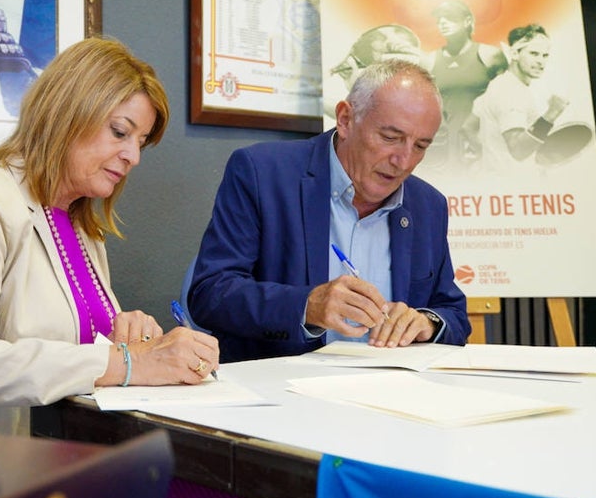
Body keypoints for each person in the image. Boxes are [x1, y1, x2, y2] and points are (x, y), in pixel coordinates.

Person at [0, 36, 297, 498]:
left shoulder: (81, 226)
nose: (133, 156)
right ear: (68, 110)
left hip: (84, 462)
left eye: (140, 142)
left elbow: (73, 346)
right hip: (3, 481)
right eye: (120, 132)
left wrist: (127, 337)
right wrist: (129, 365)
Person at [189, 58, 471, 362]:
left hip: (391, 396)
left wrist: (426, 323)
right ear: (346, 119)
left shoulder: (428, 205)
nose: (403, 160)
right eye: (391, 138)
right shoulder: (262, 173)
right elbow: (210, 294)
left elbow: (454, 314)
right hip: (283, 396)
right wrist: (307, 305)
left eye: (420, 146)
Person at [463, 23, 570, 172]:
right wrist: (551, 114)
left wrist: (490, 157)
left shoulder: (499, 84)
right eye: (533, 53)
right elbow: (518, 151)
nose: (540, 61)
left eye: (545, 55)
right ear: (514, 54)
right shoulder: (510, 91)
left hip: (501, 181)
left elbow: (468, 127)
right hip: (512, 182)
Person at [423, 0, 508, 166]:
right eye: (439, 19)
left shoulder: (490, 55)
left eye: (449, 17)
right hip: (447, 147)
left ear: (467, 21)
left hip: (484, 142)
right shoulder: (429, 61)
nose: (443, 23)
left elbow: (506, 102)